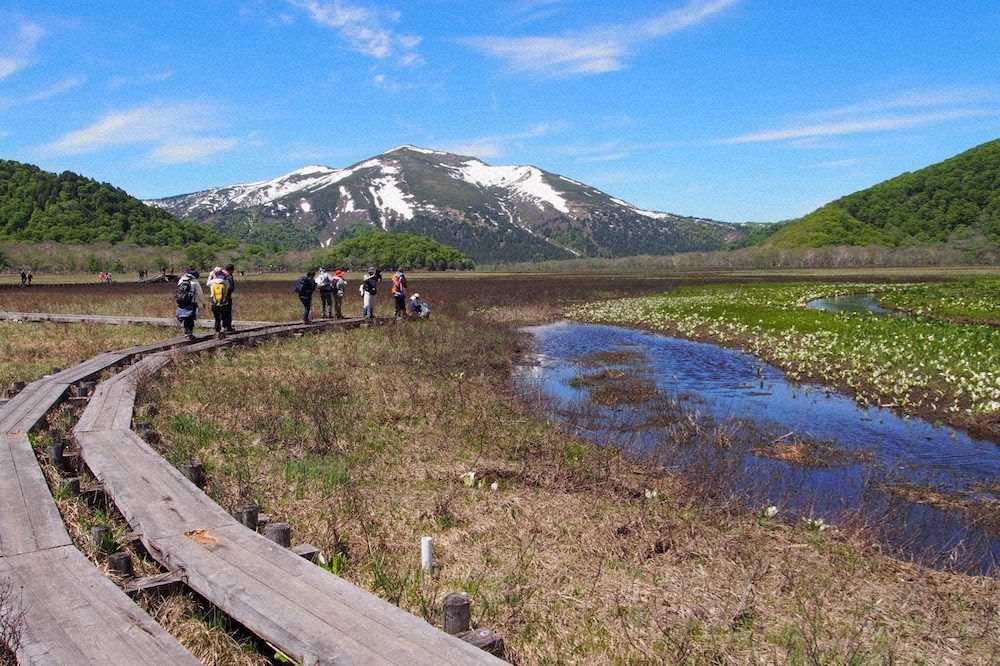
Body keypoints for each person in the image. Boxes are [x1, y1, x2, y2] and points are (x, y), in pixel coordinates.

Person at [175, 269, 205, 338]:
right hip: (191, 303)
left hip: (182, 302)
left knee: (185, 318)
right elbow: (200, 294)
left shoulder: (181, 280)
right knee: (190, 319)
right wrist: (203, 303)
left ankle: (186, 333)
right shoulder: (195, 282)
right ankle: (190, 333)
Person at [206, 269, 232, 336]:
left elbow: (207, 284)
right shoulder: (225, 281)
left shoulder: (212, 282)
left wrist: (210, 275)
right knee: (224, 316)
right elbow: (229, 286)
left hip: (214, 302)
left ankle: (217, 331)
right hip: (224, 302)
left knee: (217, 317)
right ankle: (223, 328)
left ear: (215, 274)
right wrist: (226, 275)